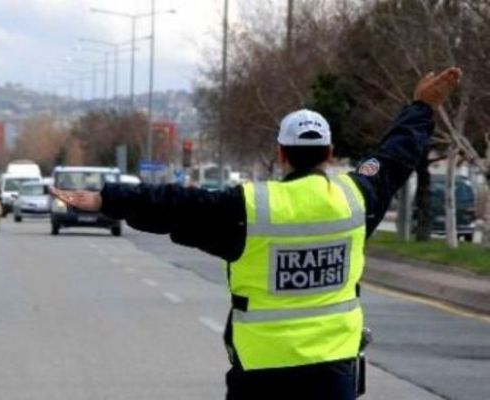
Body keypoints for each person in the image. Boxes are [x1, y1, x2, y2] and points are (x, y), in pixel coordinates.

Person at [51, 67, 462, 400]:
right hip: (334, 374)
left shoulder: (248, 208)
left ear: (281, 155)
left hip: (263, 375)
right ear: (331, 154)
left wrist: (104, 199)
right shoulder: (356, 199)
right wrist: (422, 107)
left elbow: (173, 205)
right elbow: (394, 156)